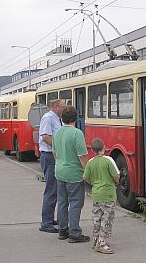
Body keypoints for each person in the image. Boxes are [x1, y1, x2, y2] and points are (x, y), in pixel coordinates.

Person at [53, 105, 89, 243]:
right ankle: (74, 232)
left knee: (62, 202)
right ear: (75, 118)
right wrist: (88, 173)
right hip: (74, 174)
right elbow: (82, 156)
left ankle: (63, 230)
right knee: (75, 203)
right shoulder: (77, 133)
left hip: (60, 172)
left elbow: (54, 153)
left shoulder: (57, 132)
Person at [83, 138, 120, 254]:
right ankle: (102, 243)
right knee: (107, 219)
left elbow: (85, 177)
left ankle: (95, 240)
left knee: (97, 217)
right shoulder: (108, 160)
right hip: (108, 194)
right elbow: (116, 175)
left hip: (96, 194)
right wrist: (115, 183)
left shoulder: (90, 162)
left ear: (92, 150)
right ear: (104, 147)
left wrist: (94, 183)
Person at [38, 99, 66, 233]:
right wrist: (59, 148)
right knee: (51, 189)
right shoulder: (48, 118)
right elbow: (45, 137)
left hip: (53, 156)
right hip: (49, 156)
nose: (64, 109)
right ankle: (46, 222)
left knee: (55, 189)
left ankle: (49, 218)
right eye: (62, 107)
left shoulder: (56, 118)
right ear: (55, 107)